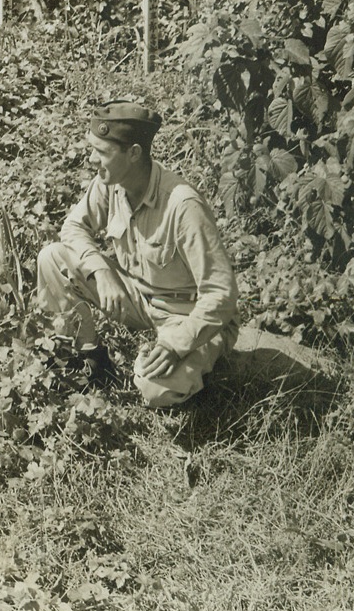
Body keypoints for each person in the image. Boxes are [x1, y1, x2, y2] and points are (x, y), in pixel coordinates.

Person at [36, 100, 239, 407]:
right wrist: (101, 272)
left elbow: (221, 295)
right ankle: (88, 358)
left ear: (133, 153)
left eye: (102, 152)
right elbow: (74, 227)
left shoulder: (183, 206)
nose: (91, 159)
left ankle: (201, 374)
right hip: (140, 299)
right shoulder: (110, 183)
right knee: (52, 258)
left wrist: (176, 344)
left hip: (186, 315)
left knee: (153, 387)